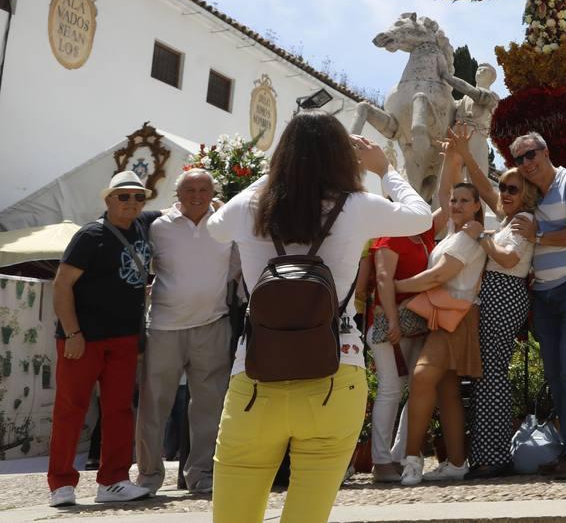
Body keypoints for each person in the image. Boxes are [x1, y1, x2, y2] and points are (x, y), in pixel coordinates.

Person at [206, 112, 431, 523]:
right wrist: (387, 170)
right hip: (334, 373)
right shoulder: (358, 206)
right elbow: (421, 216)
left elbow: (214, 229)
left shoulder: (249, 206)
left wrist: (272, 174)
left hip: (256, 377)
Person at [46, 170, 160, 508]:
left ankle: (113, 480)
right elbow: (61, 284)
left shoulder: (142, 225)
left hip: (124, 338)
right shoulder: (90, 235)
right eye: (123, 196)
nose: (132, 202)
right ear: (108, 199)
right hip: (84, 338)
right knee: (71, 409)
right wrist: (73, 333)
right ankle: (61, 484)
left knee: (119, 411)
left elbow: (173, 210)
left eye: (139, 197)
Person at [442, 131, 539, 478]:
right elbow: (485, 188)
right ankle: (489, 454)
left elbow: (510, 259)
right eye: (505, 188)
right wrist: (466, 155)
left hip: (504, 292)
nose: (505, 194)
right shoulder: (512, 217)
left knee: (491, 375)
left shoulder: (523, 221)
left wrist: (480, 236)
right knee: (489, 375)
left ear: (526, 193)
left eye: (513, 189)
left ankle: (492, 457)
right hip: (499, 294)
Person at [136, 169, 238, 496]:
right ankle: (149, 478)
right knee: (154, 406)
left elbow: (237, 269)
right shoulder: (157, 227)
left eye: (204, 189)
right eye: (190, 189)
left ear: (213, 193)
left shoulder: (226, 226)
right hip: (164, 327)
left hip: (212, 325)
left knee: (209, 407)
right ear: (177, 194)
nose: (197, 195)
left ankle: (201, 475)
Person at [512, 130, 566, 475]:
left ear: (545, 151)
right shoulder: (531, 195)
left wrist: (539, 237)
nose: (526, 163)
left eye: (531, 154)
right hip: (544, 294)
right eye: (519, 159)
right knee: (556, 373)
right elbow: (496, 200)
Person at [393, 178, 487, 486]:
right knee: (447, 390)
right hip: (448, 315)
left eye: (464, 200)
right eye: (454, 200)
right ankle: (457, 462)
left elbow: (438, 276)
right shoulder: (454, 234)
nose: (456, 204)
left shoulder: (468, 238)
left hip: (455, 317)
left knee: (422, 377)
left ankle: (411, 460)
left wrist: (396, 288)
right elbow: (443, 191)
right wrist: (454, 156)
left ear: (477, 206)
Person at [366, 213, 437, 483]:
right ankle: (382, 461)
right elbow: (384, 278)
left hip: (414, 324)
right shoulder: (392, 237)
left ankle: (397, 455)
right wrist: (394, 320)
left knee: (416, 389)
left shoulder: (422, 236)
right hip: (390, 325)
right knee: (391, 389)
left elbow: (444, 198)